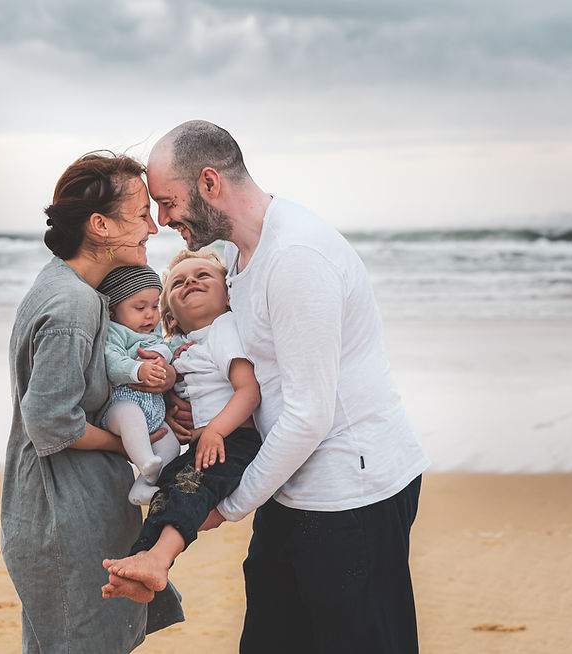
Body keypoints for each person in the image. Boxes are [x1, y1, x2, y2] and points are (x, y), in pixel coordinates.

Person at [143, 121, 431, 653]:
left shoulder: (297, 258)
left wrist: (229, 507)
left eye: (167, 202)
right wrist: (184, 404)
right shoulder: (231, 256)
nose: (162, 221)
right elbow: (232, 358)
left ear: (209, 183)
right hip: (288, 481)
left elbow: (308, 415)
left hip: (350, 491)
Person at [0, 152, 183, 654]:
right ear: (100, 225)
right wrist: (133, 442)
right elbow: (51, 423)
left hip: (63, 510)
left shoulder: (72, 287)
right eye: (142, 213)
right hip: (63, 518)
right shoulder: (73, 304)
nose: (154, 225)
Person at [101, 249, 262, 603]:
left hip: (235, 440)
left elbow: (249, 391)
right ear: (168, 314)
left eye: (203, 276)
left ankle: (158, 560)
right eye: (177, 283)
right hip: (206, 443)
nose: (190, 281)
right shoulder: (179, 345)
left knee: (189, 489)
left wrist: (215, 430)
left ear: (228, 295)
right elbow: (175, 383)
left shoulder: (224, 330)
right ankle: (143, 562)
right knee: (167, 491)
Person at [96, 264, 182, 504]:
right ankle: (144, 460)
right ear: (113, 311)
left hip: (155, 415)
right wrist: (137, 369)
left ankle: (142, 487)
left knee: (172, 447)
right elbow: (111, 360)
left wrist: (179, 353)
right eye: (140, 307)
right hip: (120, 408)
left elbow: (166, 351)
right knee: (130, 415)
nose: (150, 315)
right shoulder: (116, 332)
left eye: (155, 306)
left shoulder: (153, 332)